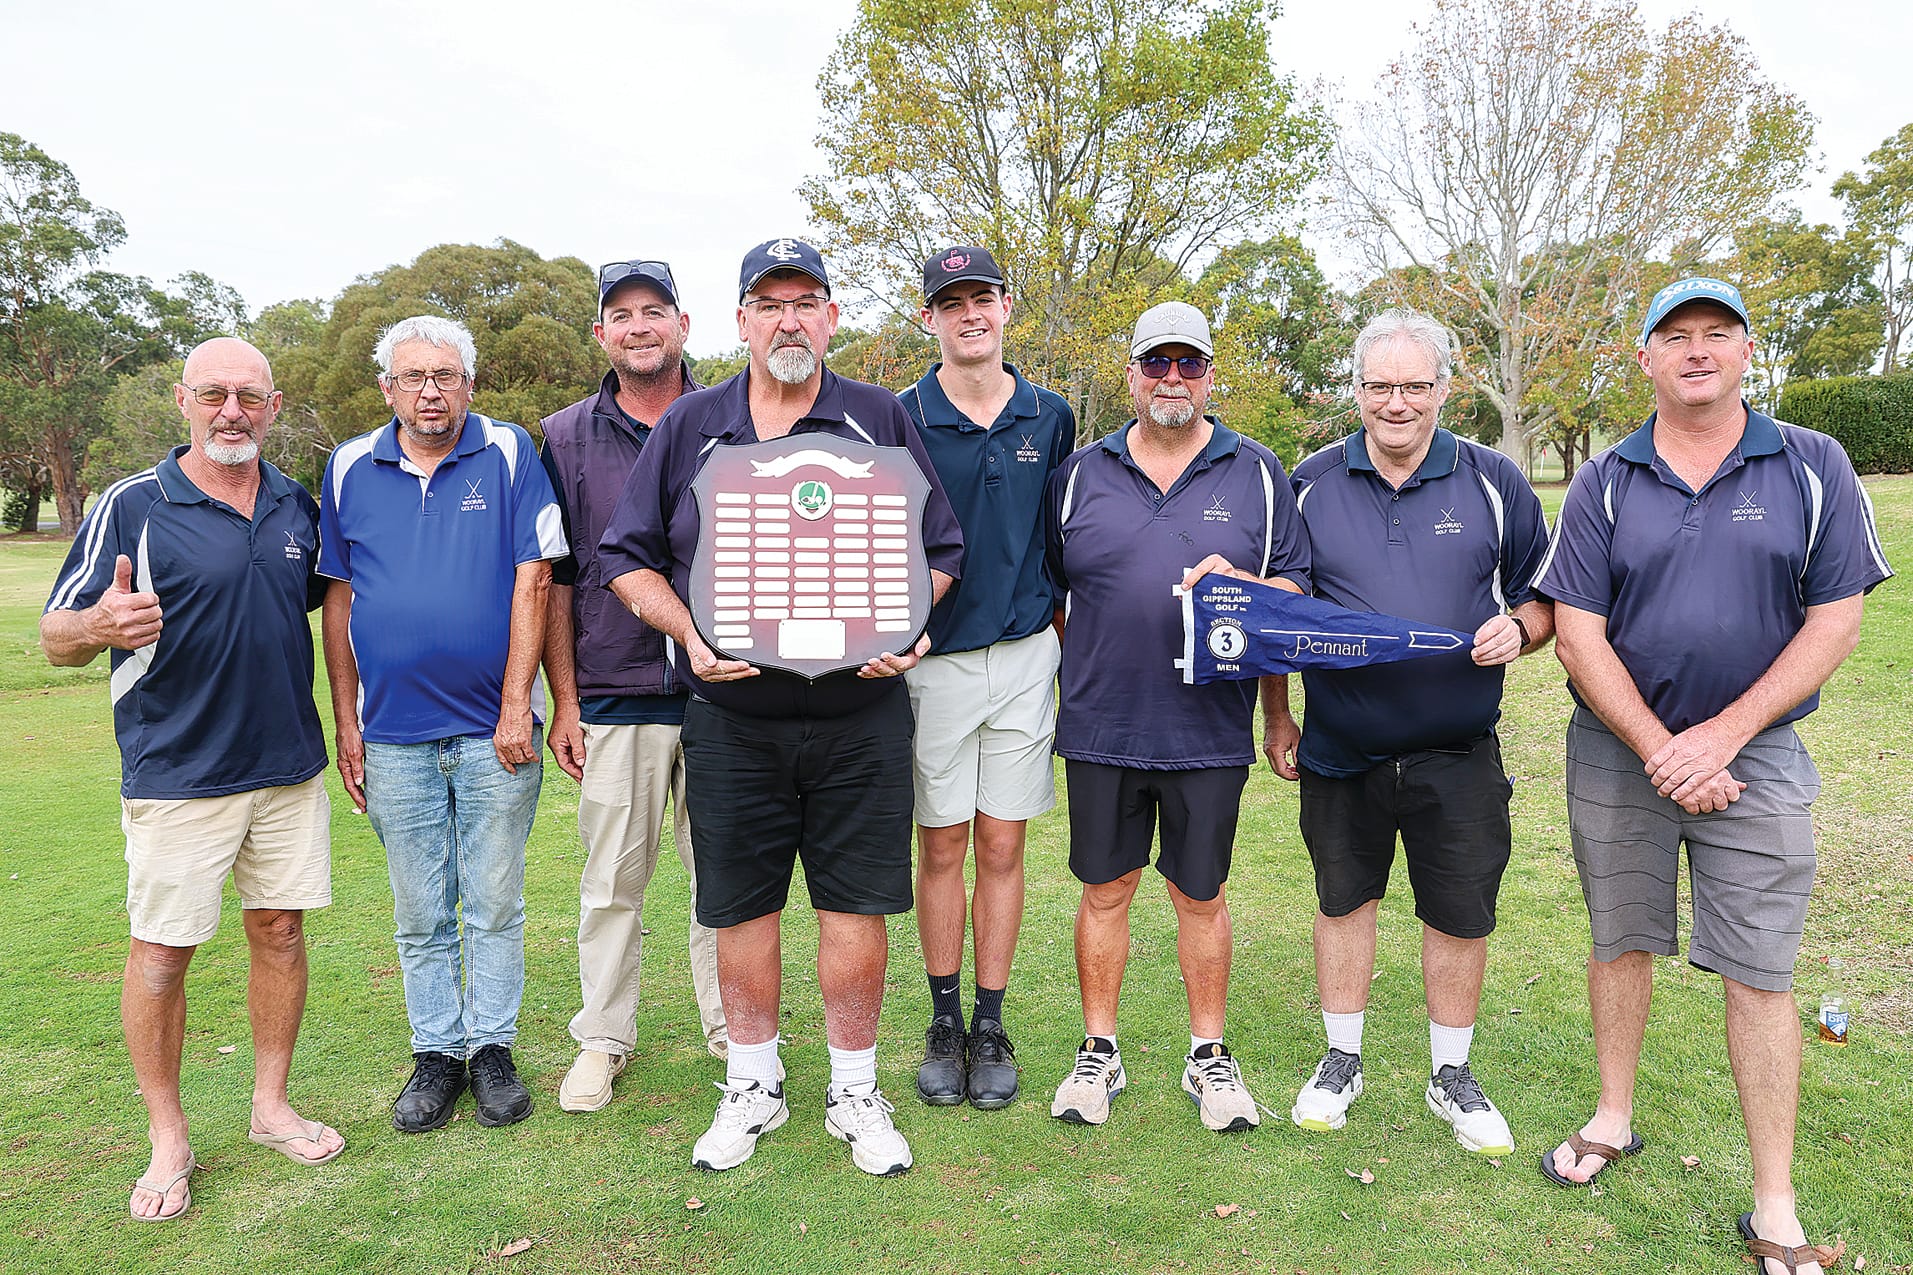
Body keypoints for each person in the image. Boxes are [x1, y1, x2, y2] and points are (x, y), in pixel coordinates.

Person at [1533, 277, 1890, 1273]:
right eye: (1673, 337)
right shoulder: (1604, 478)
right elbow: (1575, 630)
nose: (1695, 351)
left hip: (1757, 755)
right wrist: (1660, 747)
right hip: (1618, 749)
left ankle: (1773, 1204)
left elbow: (1835, 620)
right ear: (1642, 358)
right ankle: (1611, 1117)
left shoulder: (1811, 463)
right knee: (1619, 938)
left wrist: (1720, 736)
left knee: (1759, 969)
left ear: (1744, 353)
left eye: (1716, 335)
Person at [598, 238, 964, 1176]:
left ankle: (853, 1087)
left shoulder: (879, 416)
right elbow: (626, 557)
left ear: (832, 317)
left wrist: (913, 628)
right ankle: (751, 1085)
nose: (788, 319)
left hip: (861, 717)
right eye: (769, 303)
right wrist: (686, 631)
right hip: (734, 719)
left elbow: (941, 551)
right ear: (741, 321)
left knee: (855, 905)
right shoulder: (691, 423)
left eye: (806, 301)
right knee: (742, 908)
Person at [41, 338, 344, 1222]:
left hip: (286, 765)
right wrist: (102, 620)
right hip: (176, 772)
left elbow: (327, 616)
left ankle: (270, 1107)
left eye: (249, 395)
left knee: (281, 933)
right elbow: (56, 636)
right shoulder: (132, 503)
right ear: (183, 399)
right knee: (164, 952)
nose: (232, 410)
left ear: (274, 406)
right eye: (214, 393)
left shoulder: (297, 506)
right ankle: (168, 1133)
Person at [1268, 309, 1552, 1156]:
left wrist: (1523, 630)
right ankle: (1340, 1059)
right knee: (1343, 900)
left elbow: (1544, 597)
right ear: (1355, 390)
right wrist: (1278, 714)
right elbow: (1275, 613)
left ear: (1443, 389)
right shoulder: (1307, 481)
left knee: (1457, 913)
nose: (1397, 402)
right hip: (1340, 746)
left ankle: (1450, 1075)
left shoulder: (1494, 479)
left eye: (1414, 385)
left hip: (1457, 751)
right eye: (1379, 385)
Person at [1044, 301, 1310, 1132]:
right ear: (1130, 372)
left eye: (1187, 364)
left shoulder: (1258, 470)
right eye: (1155, 362)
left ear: (1208, 374)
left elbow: (1295, 593)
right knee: (1104, 889)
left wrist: (1250, 596)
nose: (1170, 378)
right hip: (1102, 725)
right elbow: (1056, 597)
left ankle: (1207, 1054)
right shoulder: (1079, 473)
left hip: (1207, 729)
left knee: (1201, 892)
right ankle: (1099, 1049)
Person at [318, 315, 567, 1134]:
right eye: (414, 376)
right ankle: (437, 1055)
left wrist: (513, 703)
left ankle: (491, 1049)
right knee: (421, 909)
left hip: (493, 731)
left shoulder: (506, 451)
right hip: (391, 735)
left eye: (447, 375)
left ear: (470, 382)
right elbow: (339, 598)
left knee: (493, 900)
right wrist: (345, 718)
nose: (432, 391)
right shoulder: (350, 465)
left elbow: (535, 578)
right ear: (387, 387)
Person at [540, 260, 727, 1115]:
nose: (640, 326)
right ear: (601, 333)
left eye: (655, 311)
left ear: (684, 324)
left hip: (727, 687)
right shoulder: (564, 434)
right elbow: (553, 577)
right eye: (622, 314)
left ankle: (736, 1030)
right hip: (615, 693)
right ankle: (602, 1039)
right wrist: (565, 701)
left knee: (722, 875)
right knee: (613, 880)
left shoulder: (733, 417)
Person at [896, 245, 1075, 1110]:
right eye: (950, 301)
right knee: (941, 844)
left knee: (1004, 844)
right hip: (933, 664)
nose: (969, 313)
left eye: (983, 298)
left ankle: (991, 1020)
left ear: (1007, 308)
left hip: (1026, 654)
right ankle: (941, 1019)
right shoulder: (897, 417)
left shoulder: (1051, 415)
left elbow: (1062, 546)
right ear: (928, 317)